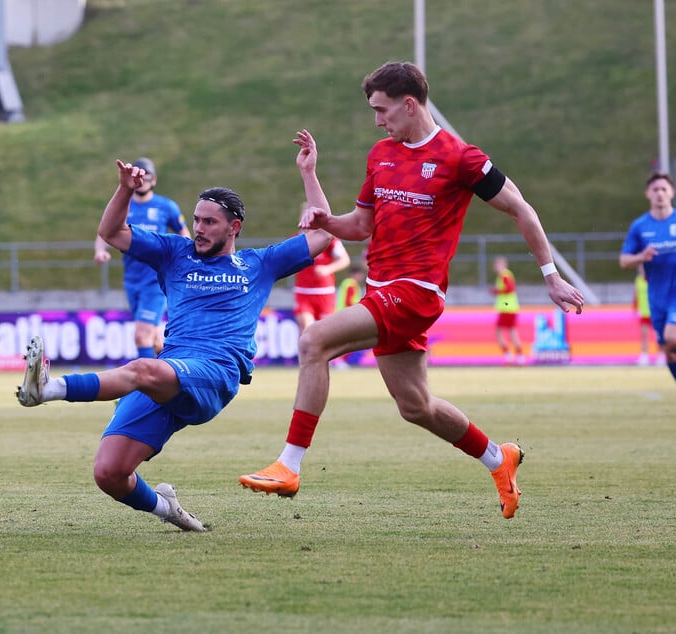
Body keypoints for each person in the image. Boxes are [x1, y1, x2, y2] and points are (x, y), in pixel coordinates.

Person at [238, 62, 585, 520]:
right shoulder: (381, 153)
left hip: (416, 292)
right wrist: (316, 194)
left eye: (382, 110)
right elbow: (359, 225)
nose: (378, 120)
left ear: (409, 104)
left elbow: (521, 209)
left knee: (312, 340)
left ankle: (289, 464)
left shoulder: (460, 158)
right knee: (416, 406)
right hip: (381, 289)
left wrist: (551, 275)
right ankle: (500, 460)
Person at [16, 155, 333, 531]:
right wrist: (124, 190)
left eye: (209, 222)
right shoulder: (174, 253)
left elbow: (323, 236)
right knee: (109, 472)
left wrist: (308, 174)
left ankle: (49, 389)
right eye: (196, 220)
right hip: (169, 371)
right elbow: (112, 232)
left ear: (234, 227)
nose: (198, 228)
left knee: (142, 367)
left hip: (214, 374)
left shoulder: (258, 264)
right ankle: (169, 510)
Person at [93, 157, 190, 359]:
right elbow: (104, 231)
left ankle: (147, 386)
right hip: (132, 280)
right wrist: (100, 250)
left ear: (154, 180)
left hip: (156, 281)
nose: (144, 181)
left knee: (141, 335)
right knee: (154, 340)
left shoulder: (166, 207)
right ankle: (180, 370)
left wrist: (186, 262)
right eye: (140, 177)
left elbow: (184, 234)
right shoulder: (124, 207)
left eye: (148, 177)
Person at [620, 172, 676, 382]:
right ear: (648, 194)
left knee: (672, 337)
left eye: (664, 189)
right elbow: (624, 261)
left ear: (671, 192)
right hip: (656, 297)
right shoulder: (640, 226)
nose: (660, 193)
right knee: (668, 350)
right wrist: (641, 257)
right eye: (655, 189)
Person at [293, 201, 352, 335]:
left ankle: (327, 356)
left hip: (324, 292)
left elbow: (344, 260)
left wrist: (327, 269)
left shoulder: (328, 239)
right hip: (304, 292)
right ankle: (305, 355)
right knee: (307, 331)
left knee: (325, 334)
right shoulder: (296, 239)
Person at [490, 255, 525, 365]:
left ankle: (509, 356)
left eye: (498, 264)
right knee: (512, 332)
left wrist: (497, 291)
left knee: (499, 333)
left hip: (507, 308)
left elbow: (510, 288)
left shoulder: (504, 275)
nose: (496, 266)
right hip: (511, 308)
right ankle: (519, 356)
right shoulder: (506, 274)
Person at [633, 263, 659, 366]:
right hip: (643, 312)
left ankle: (660, 355)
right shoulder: (638, 280)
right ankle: (644, 356)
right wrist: (635, 308)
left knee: (658, 336)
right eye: (640, 268)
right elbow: (636, 296)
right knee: (644, 336)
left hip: (654, 312)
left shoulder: (654, 279)